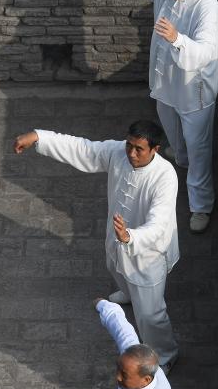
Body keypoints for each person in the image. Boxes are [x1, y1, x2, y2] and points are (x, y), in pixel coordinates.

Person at [63, 0, 218, 234]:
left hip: (193, 91)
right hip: (165, 84)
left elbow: (205, 53)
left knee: (199, 150)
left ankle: (201, 205)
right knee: (173, 134)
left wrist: (177, 39)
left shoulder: (207, 6)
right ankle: (180, 156)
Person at [13, 121, 179, 368]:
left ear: (155, 149)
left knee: (150, 315)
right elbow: (84, 149)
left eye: (139, 149)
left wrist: (130, 237)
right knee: (116, 269)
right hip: (116, 239)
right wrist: (39, 137)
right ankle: (129, 294)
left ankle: (165, 355)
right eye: (129, 145)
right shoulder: (118, 152)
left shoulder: (165, 177)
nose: (131, 153)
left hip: (147, 255)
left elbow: (159, 223)